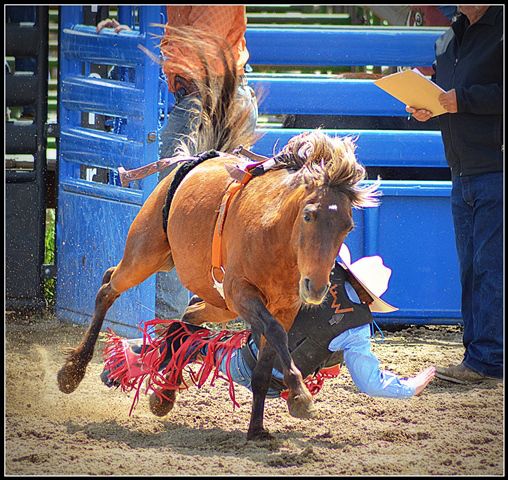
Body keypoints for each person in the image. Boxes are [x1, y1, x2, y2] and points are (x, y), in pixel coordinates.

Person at [101, 246, 436, 416]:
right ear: (369, 298)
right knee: (199, 348)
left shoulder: (315, 279)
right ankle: (133, 353)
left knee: (200, 346)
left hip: (252, 353)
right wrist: (409, 387)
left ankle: (138, 352)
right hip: (271, 378)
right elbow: (368, 382)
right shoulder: (356, 330)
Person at [97, 7, 259, 320]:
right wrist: (138, 36)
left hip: (208, 103)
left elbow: (199, 46)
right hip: (220, 100)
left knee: (175, 215)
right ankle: (188, 322)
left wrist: (140, 38)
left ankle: (169, 326)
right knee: (211, 215)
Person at [405, 5, 503, 384]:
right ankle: (479, 357)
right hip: (462, 169)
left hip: (495, 166)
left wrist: (463, 100)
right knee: (474, 269)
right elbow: (445, 97)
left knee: (490, 268)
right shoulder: (446, 39)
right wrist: (427, 109)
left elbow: (472, 97)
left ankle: (488, 361)